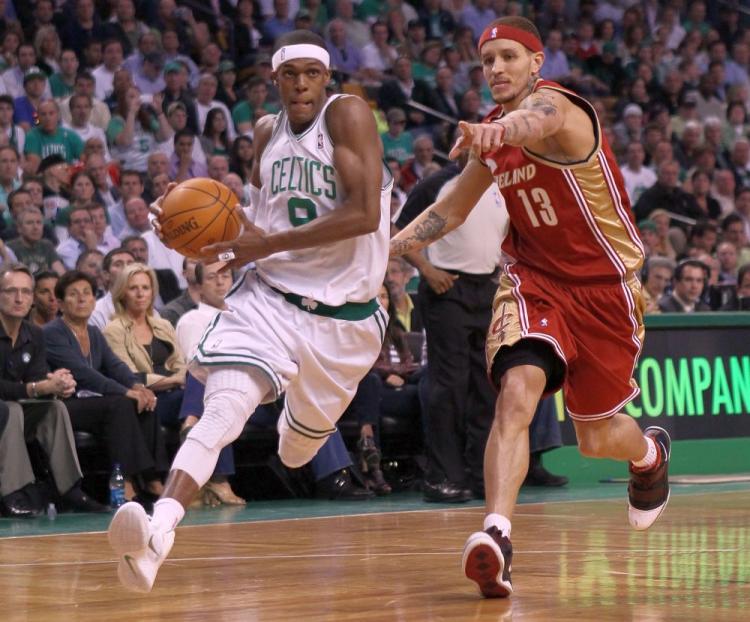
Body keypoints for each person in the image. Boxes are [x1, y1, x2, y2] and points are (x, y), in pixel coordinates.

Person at [390, 17, 671, 598]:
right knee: (515, 394)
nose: (496, 68)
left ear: (535, 63)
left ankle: (648, 453)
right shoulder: (491, 135)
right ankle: (497, 534)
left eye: (508, 57)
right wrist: (385, 252)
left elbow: (531, 122)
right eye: (487, 59)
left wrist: (500, 132)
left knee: (595, 439)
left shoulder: (561, 109)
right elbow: (452, 211)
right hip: (535, 281)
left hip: (606, 288)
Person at [108, 29, 391, 593]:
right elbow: (252, 227)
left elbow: (362, 214)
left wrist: (266, 245)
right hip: (269, 298)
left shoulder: (349, 115)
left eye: (312, 73)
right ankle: (159, 531)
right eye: (291, 74)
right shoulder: (267, 132)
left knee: (297, 449)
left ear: (327, 78)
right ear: (275, 79)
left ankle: (300, 424)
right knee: (224, 407)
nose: (302, 84)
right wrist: (182, 216)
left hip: (343, 321)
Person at [44, 270, 167, 502]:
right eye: (73, 294)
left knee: (147, 401)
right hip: (64, 406)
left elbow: (114, 365)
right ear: (60, 303)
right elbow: (84, 374)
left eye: (87, 293)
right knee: (121, 403)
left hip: (93, 403)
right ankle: (125, 482)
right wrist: (125, 391)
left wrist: (137, 386)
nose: (81, 299)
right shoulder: (51, 333)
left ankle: (153, 479)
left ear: (94, 299)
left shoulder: (93, 332)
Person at [0, 264, 107, 517]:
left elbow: (37, 380)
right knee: (12, 409)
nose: (19, 298)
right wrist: (36, 387)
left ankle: (68, 488)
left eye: (26, 292)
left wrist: (57, 384)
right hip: (4, 411)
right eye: (11, 291)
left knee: (54, 407)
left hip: (12, 410)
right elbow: (28, 387)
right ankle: (14, 492)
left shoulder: (34, 334)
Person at [102, 263, 186, 430]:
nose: (140, 294)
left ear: (152, 293)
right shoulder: (114, 330)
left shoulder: (163, 325)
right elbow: (130, 376)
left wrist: (179, 377)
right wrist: (175, 380)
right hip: (146, 399)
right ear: (122, 293)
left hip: (176, 394)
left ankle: (189, 429)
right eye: (133, 288)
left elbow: (180, 364)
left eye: (145, 288)